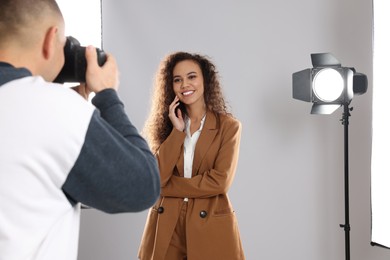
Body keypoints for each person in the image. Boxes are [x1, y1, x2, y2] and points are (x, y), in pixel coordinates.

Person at [0, 1, 160, 259]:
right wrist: (107, 95)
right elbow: (143, 185)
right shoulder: (53, 109)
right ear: (51, 40)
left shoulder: (54, 111)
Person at [138, 51, 245, 260]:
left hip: (210, 223)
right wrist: (177, 132)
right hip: (167, 222)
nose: (185, 84)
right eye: (177, 80)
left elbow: (220, 182)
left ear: (206, 80)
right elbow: (157, 177)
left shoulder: (229, 127)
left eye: (192, 76)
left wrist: (168, 187)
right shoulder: (167, 127)